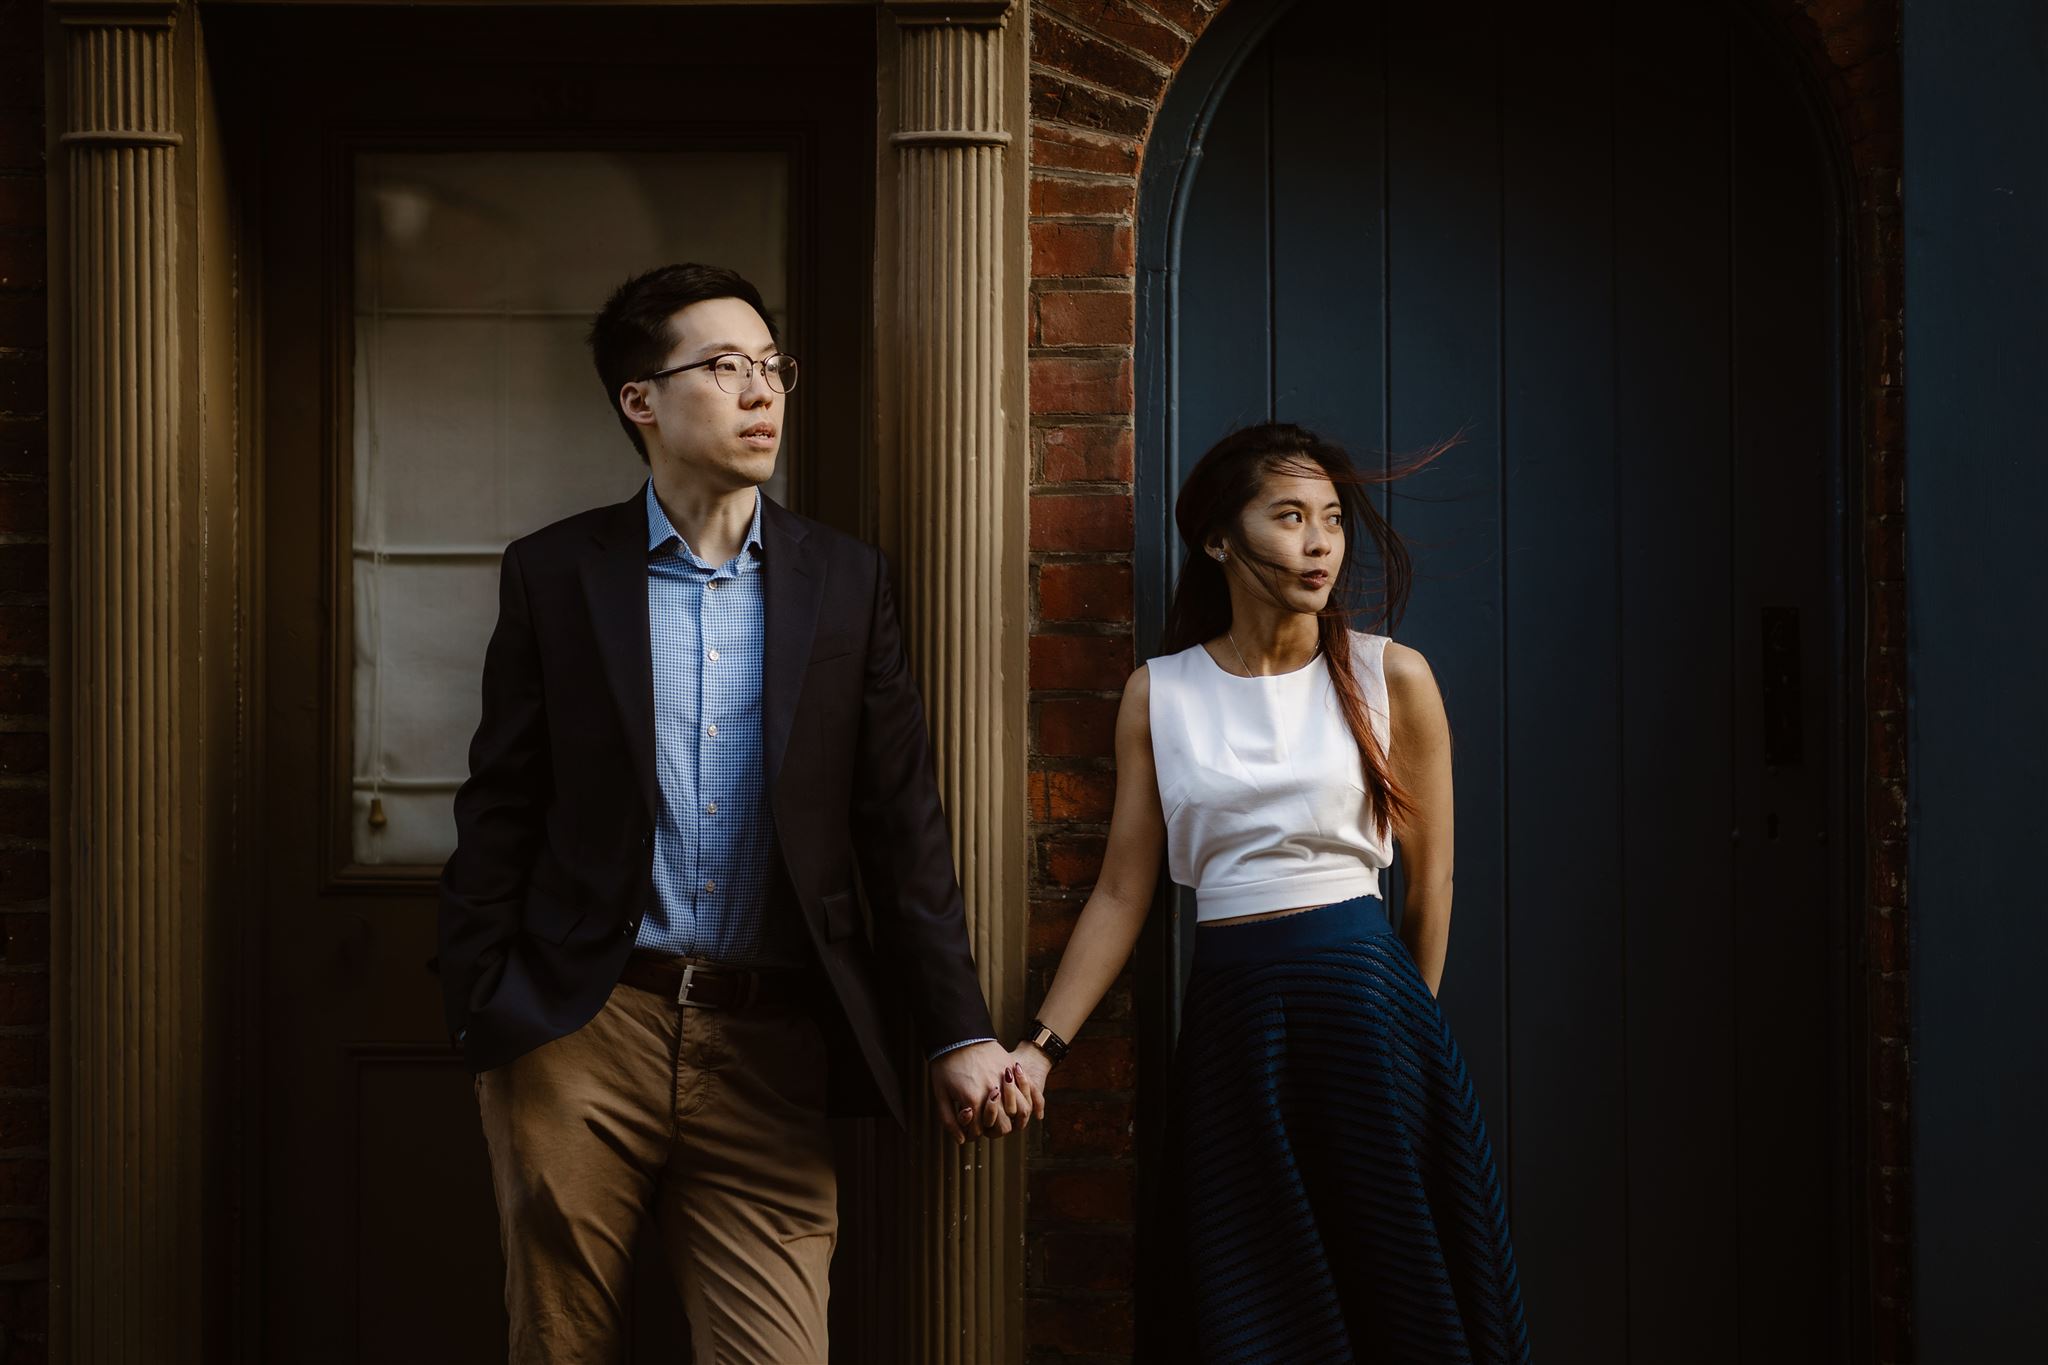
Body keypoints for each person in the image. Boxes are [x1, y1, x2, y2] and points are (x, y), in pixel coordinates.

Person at [439, 262, 1034, 1364]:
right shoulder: (556, 574)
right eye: (724, 367)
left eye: (772, 367)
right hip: (584, 1027)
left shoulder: (847, 581)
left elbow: (899, 818)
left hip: (773, 1043)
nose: (761, 391)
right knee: (556, 1346)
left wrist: (957, 1027)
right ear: (640, 402)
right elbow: (502, 804)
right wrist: (488, 1014)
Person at [1007, 423, 1531, 1363]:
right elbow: (1125, 892)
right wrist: (1043, 1047)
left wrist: (1407, 1038)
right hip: (1235, 1026)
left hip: (1373, 1018)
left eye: (1331, 518)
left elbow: (1431, 882)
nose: (1320, 541)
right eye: (1290, 516)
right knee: (1254, 1302)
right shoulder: (1158, 693)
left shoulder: (1391, 675)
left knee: (1399, 1303)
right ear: (1219, 537)